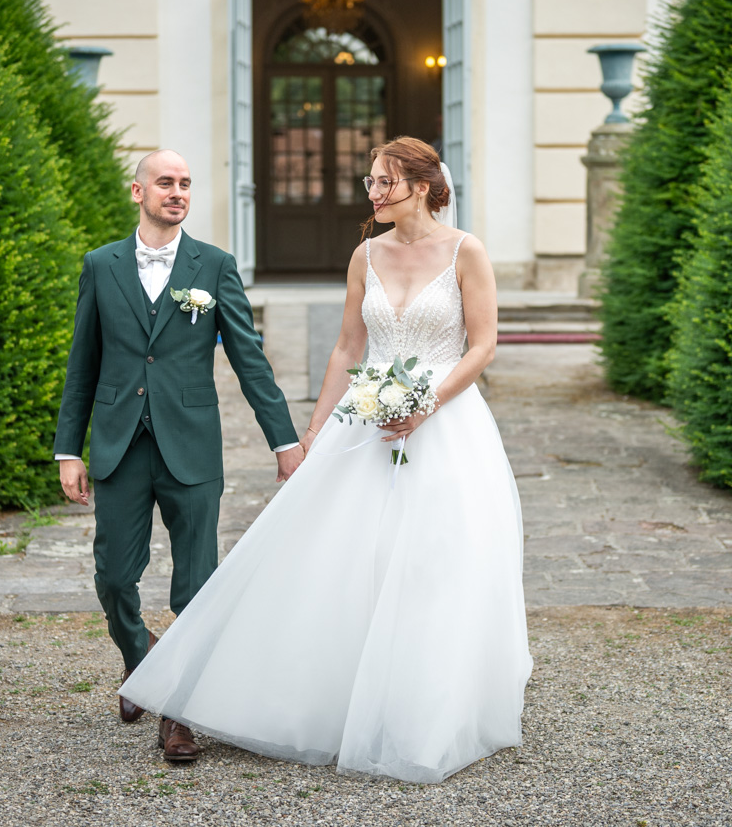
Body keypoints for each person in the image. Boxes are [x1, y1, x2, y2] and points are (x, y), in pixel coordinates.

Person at [120, 136, 531, 783]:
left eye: (385, 183)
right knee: (344, 557)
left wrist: (425, 405)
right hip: (364, 420)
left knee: (431, 562)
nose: (374, 194)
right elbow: (346, 349)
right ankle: (334, 699)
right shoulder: (365, 254)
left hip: (446, 424)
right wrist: (313, 435)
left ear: (424, 187)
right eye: (370, 182)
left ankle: (422, 708)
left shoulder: (465, 251)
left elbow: (482, 346)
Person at [53, 149, 304, 760]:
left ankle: (180, 715)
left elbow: (248, 359)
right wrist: (67, 449)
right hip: (119, 445)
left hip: (191, 446)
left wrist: (284, 441)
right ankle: (141, 659)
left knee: (196, 587)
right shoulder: (101, 265)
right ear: (137, 191)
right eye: (165, 182)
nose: (178, 192)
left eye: (186, 183)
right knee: (114, 577)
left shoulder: (213, 265)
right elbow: (83, 363)